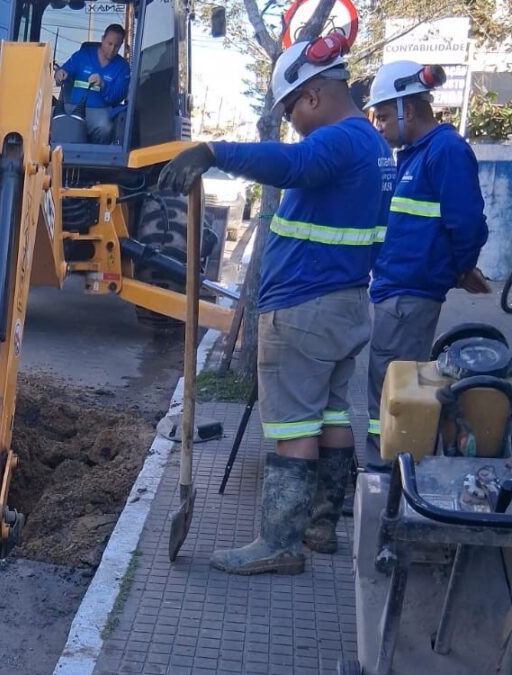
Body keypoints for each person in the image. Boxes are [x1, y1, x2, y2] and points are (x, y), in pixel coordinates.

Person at [159, 32, 396, 574]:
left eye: (291, 109)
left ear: (313, 95)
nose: (292, 121)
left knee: (290, 426)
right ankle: (320, 527)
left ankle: (280, 544)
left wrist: (214, 151)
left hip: (304, 309)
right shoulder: (375, 146)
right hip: (344, 304)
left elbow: (290, 165)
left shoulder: (337, 141)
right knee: (332, 415)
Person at [363, 61, 490, 471]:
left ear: (409, 110)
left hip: (409, 295)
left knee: (392, 392)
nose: (378, 125)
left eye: (383, 116)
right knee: (389, 389)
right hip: (397, 290)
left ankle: (385, 477)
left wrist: (459, 267)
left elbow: (467, 222)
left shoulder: (446, 152)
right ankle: (385, 472)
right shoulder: (415, 155)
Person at [54, 24, 130, 144]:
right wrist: (60, 74)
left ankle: (96, 158)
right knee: (46, 119)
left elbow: (118, 95)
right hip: (71, 107)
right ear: (102, 39)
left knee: (105, 128)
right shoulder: (82, 55)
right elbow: (64, 71)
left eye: (116, 46)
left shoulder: (122, 67)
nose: (112, 49)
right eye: (109, 44)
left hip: (100, 110)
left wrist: (103, 85)